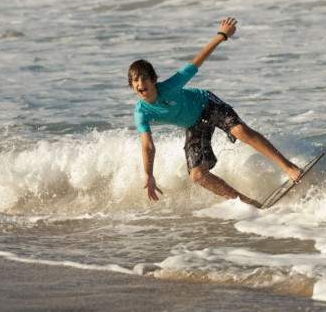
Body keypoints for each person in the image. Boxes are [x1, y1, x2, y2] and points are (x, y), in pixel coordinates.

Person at [129, 17, 302, 208]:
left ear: (153, 80)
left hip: (207, 104)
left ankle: (290, 168)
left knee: (240, 131)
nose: (140, 84)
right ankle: (249, 203)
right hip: (194, 124)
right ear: (132, 86)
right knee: (198, 175)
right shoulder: (141, 112)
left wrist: (222, 35)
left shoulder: (170, 86)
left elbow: (197, 61)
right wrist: (149, 174)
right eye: (135, 81)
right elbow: (147, 146)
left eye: (144, 78)